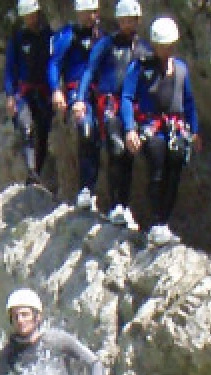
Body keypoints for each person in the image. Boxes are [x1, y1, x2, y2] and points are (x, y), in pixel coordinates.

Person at [121, 16, 202, 246]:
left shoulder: (180, 69)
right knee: (157, 166)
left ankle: (163, 221)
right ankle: (157, 221)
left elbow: (188, 101)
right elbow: (127, 97)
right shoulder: (140, 67)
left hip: (175, 128)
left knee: (174, 169)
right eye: (163, 45)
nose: (167, 49)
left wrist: (195, 130)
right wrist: (129, 129)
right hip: (151, 126)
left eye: (170, 45)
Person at [76, 0, 150, 228]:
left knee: (126, 155)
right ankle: (115, 204)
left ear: (138, 21)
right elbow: (89, 71)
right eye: (124, 21)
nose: (128, 25)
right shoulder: (107, 44)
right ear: (119, 21)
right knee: (116, 148)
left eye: (132, 20)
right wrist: (80, 99)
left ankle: (122, 205)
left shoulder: (143, 49)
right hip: (109, 103)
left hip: (132, 106)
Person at [0, 288, 105, 375]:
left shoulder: (57, 340)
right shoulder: (8, 352)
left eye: (25, 314)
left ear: (37, 316)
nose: (20, 320)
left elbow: (95, 363)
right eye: (15, 316)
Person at [49, 0, 106, 210]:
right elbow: (54, 63)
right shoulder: (67, 35)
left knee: (101, 139)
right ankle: (85, 189)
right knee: (86, 130)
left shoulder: (103, 37)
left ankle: (94, 189)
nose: (88, 17)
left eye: (91, 12)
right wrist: (56, 89)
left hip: (100, 93)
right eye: (84, 13)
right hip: (76, 91)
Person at [4, 0, 54, 187]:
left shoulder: (48, 36)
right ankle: (32, 172)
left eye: (32, 14)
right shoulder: (18, 39)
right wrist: (10, 95)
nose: (30, 19)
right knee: (27, 129)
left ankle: (37, 174)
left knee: (43, 133)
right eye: (27, 16)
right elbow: (10, 69)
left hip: (43, 92)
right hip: (24, 92)